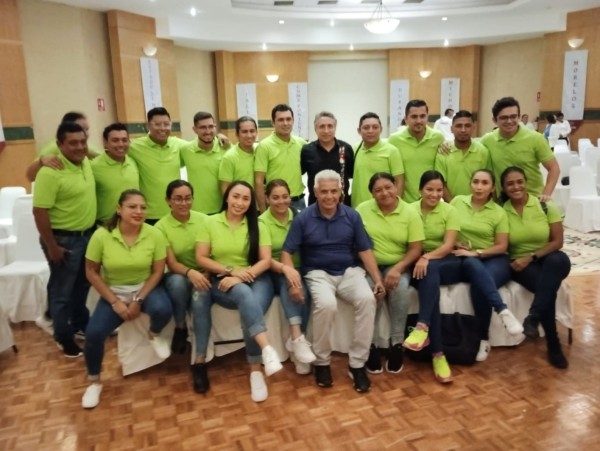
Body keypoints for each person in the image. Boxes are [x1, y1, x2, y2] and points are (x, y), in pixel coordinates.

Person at [281, 170, 385, 393]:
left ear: (341, 192)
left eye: (334, 191)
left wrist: (377, 279)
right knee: (327, 304)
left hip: (349, 271)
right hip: (317, 273)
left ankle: (357, 364)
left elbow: (364, 250)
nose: (329, 196)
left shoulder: (352, 216)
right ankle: (322, 362)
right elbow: (287, 252)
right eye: (324, 192)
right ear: (315, 192)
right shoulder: (303, 218)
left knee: (368, 299)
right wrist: (292, 282)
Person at [82, 189, 173, 409]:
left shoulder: (154, 234)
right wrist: (115, 302)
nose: (138, 211)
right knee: (93, 334)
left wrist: (138, 300)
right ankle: (94, 382)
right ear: (119, 209)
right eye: (132, 207)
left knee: (163, 309)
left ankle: (154, 334)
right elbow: (91, 272)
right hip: (115, 292)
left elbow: (157, 272)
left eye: (142, 207)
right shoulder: (101, 235)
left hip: (145, 288)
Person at [195, 181, 282, 402]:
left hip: (257, 277)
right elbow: (201, 257)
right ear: (226, 197)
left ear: (251, 202)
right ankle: (266, 352)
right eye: (236, 196)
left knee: (250, 305)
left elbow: (265, 261)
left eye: (245, 198)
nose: (240, 202)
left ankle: (256, 373)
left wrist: (242, 275)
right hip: (222, 280)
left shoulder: (258, 224)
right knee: (244, 294)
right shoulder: (210, 222)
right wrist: (231, 271)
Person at [32, 122, 96, 358]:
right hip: (63, 241)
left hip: (86, 237)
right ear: (59, 145)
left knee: (82, 286)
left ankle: (80, 324)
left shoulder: (85, 163)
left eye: (83, 142)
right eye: (73, 143)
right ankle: (63, 336)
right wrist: (52, 246)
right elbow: (39, 211)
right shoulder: (50, 172)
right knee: (62, 291)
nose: (79, 147)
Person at [449, 169, 524, 361]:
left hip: (494, 258)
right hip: (464, 258)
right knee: (475, 270)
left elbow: (502, 246)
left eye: (484, 183)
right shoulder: (457, 202)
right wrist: (455, 243)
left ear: (492, 188)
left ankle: (483, 339)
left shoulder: (499, 212)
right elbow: (445, 228)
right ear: (470, 184)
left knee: (481, 282)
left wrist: (477, 252)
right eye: (475, 182)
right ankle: (503, 311)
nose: (479, 187)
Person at [500, 166, 570, 369]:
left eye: (519, 181)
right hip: (520, 264)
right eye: (510, 184)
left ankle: (534, 316)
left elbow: (558, 242)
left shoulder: (544, 205)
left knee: (556, 262)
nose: (516, 187)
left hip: (549, 257)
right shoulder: (501, 211)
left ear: (526, 183)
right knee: (544, 286)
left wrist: (531, 256)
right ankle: (553, 344)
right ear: (503, 188)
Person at [355, 173, 423, 375]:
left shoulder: (410, 212)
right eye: (378, 190)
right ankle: (372, 345)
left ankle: (397, 344)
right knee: (370, 293)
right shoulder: (362, 210)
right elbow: (359, 246)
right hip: (370, 266)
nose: (384, 193)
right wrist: (376, 275)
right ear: (372, 194)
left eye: (388, 187)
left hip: (399, 265)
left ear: (395, 186)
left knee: (400, 290)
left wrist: (397, 269)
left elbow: (415, 249)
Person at [154, 180, 212, 391]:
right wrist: (191, 273)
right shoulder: (160, 227)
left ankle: (200, 361)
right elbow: (171, 263)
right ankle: (180, 326)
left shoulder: (205, 220)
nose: (183, 203)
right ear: (168, 201)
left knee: (200, 300)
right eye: (178, 199)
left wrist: (206, 273)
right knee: (178, 284)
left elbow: (213, 253)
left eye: (188, 198)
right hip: (178, 273)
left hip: (205, 273)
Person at [408, 170, 461, 383]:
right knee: (431, 289)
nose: (435, 194)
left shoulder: (450, 210)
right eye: (429, 189)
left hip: (444, 261)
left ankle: (422, 327)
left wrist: (426, 257)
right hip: (417, 262)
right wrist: (420, 258)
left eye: (439, 190)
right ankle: (438, 355)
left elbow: (449, 245)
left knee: (430, 270)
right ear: (420, 190)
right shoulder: (409, 210)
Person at [259, 179, 316, 375]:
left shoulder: (300, 216)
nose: (281, 201)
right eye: (275, 197)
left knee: (305, 292)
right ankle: (297, 337)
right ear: (267, 199)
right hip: (274, 269)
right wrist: (287, 271)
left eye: (285, 197)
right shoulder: (261, 222)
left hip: (301, 267)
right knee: (289, 283)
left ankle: (298, 345)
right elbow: (265, 259)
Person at [480, 97, 559, 202]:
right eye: (504, 118)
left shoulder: (535, 138)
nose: (509, 121)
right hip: (503, 202)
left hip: (533, 200)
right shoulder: (487, 140)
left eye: (513, 116)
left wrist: (546, 194)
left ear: (519, 117)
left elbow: (554, 168)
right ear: (495, 120)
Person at [127, 107, 188, 224]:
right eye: (157, 124)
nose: (162, 128)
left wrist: (218, 138)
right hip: (148, 214)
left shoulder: (180, 145)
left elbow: (200, 147)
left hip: (175, 211)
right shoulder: (135, 147)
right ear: (148, 126)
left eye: (166, 124)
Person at [388, 99, 445, 203]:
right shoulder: (394, 140)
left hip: (430, 202)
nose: (419, 121)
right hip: (405, 203)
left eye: (422, 116)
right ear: (406, 119)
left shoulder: (438, 138)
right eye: (414, 117)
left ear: (427, 117)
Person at [255, 104, 306, 213]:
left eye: (288, 119)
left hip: (299, 202)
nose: (285, 123)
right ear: (273, 123)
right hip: (276, 202)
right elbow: (259, 181)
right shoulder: (264, 146)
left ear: (293, 121)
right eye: (281, 120)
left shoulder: (301, 143)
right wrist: (263, 211)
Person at [25, 111, 101, 182]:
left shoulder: (87, 148)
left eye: (87, 129)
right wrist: (41, 162)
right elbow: (30, 176)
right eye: (79, 129)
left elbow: (102, 156)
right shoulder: (54, 147)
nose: (85, 133)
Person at [351, 112, 404, 208]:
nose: (371, 131)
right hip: (357, 207)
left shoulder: (392, 151)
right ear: (359, 131)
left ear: (381, 129)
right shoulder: (354, 149)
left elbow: (399, 182)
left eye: (375, 127)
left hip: (382, 207)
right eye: (366, 127)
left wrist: (395, 206)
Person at [435, 110, 491, 200]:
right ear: (451, 129)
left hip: (478, 204)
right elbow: (441, 183)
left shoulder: (483, 151)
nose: (463, 130)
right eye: (459, 126)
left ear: (473, 128)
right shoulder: (443, 152)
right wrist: (454, 205)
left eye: (467, 126)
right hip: (451, 205)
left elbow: (487, 181)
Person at [301, 111, 354, 206]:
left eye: (330, 126)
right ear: (315, 129)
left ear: (335, 128)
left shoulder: (346, 148)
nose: (326, 131)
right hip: (315, 205)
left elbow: (351, 174)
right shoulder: (307, 150)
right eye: (322, 126)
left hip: (342, 204)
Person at [181, 111, 228, 215]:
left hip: (223, 210)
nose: (208, 131)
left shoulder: (226, 148)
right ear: (194, 129)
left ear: (215, 127)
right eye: (203, 127)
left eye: (211, 126)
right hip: (196, 211)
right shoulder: (185, 150)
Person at [92, 123, 139, 223]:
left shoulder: (133, 162)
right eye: (115, 140)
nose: (121, 144)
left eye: (124, 140)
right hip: (107, 225)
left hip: (134, 222)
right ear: (105, 143)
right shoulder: (93, 166)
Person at [219, 116, 258, 193]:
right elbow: (225, 188)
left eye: (252, 131)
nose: (249, 135)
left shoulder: (259, 152)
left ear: (256, 132)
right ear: (237, 134)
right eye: (244, 132)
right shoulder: (229, 157)